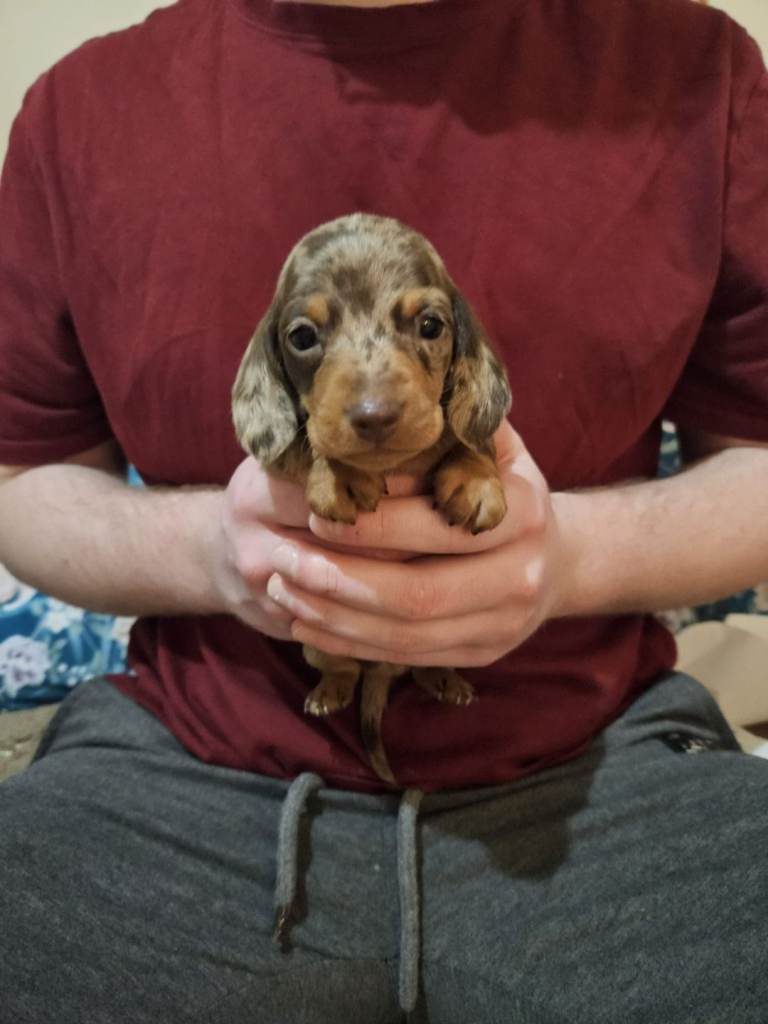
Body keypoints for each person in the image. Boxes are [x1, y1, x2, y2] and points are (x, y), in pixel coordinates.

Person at [0, 0, 767, 1019]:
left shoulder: (695, 71)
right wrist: (210, 555)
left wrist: (573, 558)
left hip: (604, 757)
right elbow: (22, 480)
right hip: (186, 767)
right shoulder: (79, 112)